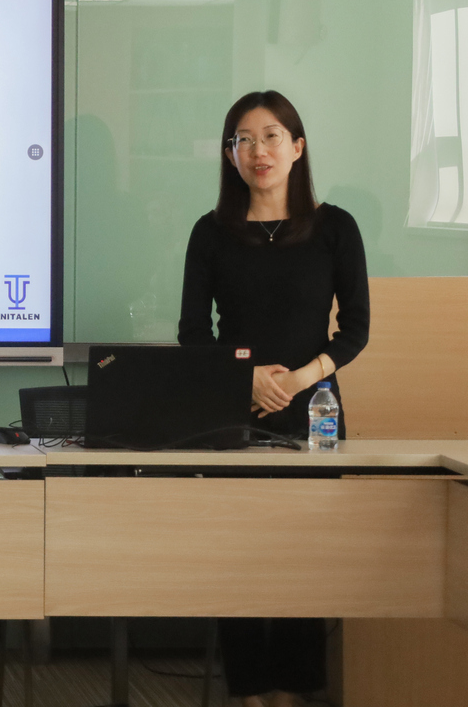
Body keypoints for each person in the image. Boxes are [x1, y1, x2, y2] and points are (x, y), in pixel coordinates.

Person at [177, 91, 370, 707]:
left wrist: (302, 376)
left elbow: (355, 330)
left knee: (302, 559)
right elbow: (192, 333)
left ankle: (294, 689)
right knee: (237, 559)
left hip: (313, 414)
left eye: (270, 136)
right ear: (229, 154)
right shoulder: (210, 233)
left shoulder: (335, 228)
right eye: (242, 139)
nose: (256, 150)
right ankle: (248, 691)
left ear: (297, 147)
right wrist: (246, 377)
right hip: (232, 413)